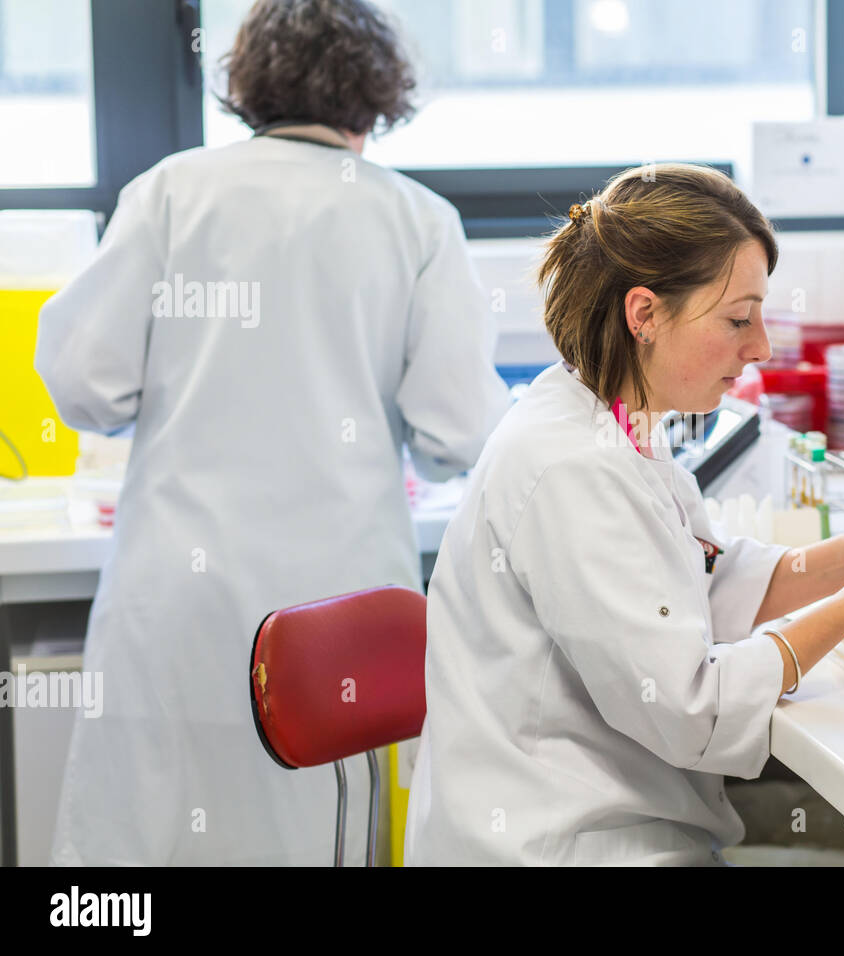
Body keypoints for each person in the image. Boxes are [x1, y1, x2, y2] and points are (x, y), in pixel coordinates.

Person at [35, 0, 510, 865]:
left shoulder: (172, 191)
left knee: (150, 845)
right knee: (316, 836)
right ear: (377, 96)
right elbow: (459, 432)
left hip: (179, 600)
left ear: (250, 83)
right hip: (333, 619)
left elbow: (83, 383)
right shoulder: (416, 219)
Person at [402, 164, 844, 866]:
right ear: (643, 314)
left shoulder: (613, 419)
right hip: (565, 846)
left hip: (624, 819)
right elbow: (690, 709)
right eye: (738, 318)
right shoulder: (571, 467)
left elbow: (701, 587)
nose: (761, 346)